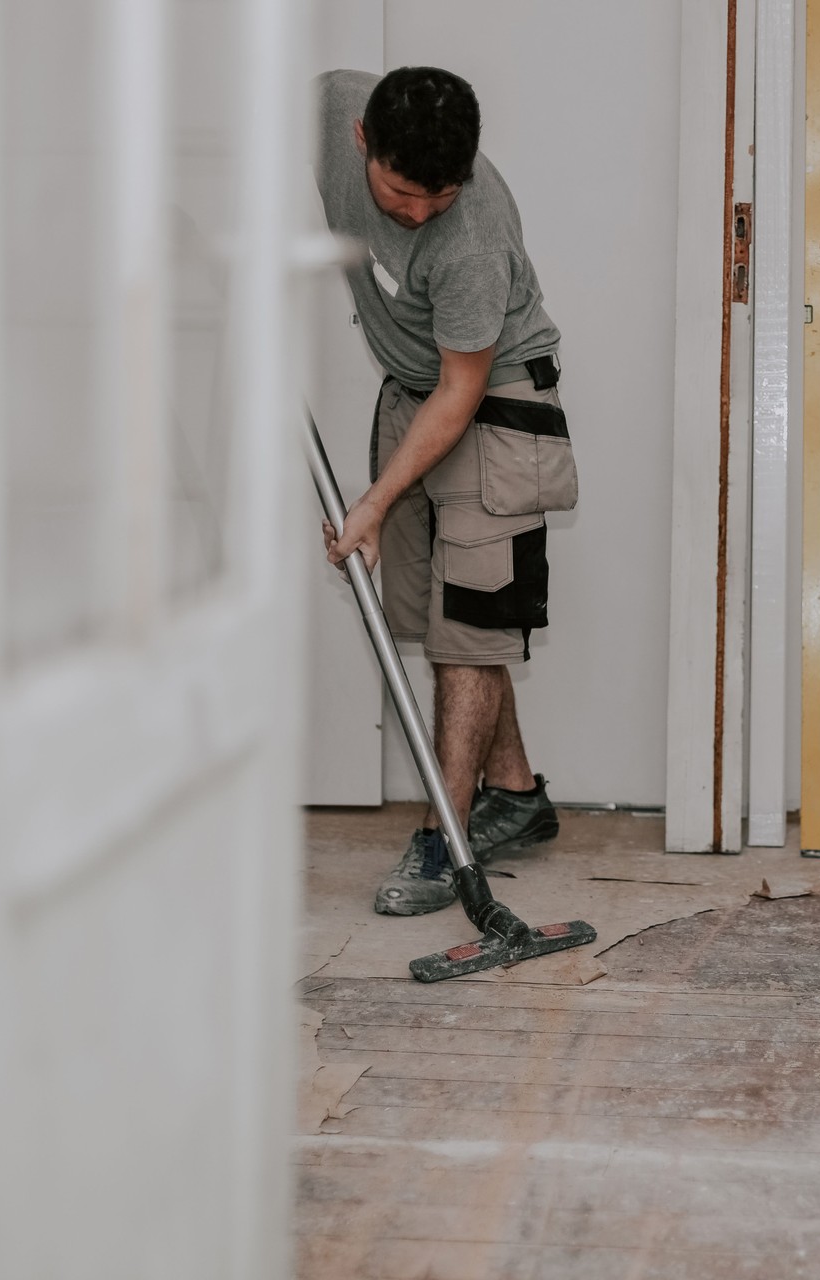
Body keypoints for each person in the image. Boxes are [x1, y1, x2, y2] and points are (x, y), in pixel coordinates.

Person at [314, 66, 572, 915]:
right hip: (410, 389)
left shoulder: (472, 241)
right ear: (362, 140)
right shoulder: (335, 107)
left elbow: (462, 394)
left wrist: (374, 500)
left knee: (470, 633)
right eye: (398, 192)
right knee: (444, 618)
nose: (420, 213)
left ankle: (447, 835)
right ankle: (515, 796)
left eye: (440, 195)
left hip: (490, 400)